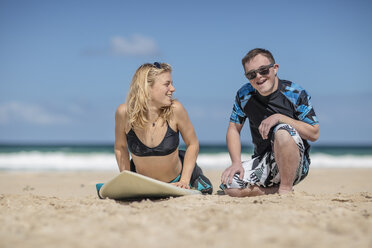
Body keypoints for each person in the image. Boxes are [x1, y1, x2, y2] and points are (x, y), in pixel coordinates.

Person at [220, 48, 319, 197]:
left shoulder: (295, 93)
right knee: (229, 185)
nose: (258, 77)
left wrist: (280, 117)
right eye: (251, 74)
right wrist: (236, 163)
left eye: (263, 70)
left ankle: (285, 189)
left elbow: (314, 133)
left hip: (296, 164)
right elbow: (234, 128)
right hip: (264, 162)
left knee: (283, 131)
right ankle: (274, 191)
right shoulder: (244, 95)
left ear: (275, 68)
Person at [114, 62, 212, 194]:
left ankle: (196, 176)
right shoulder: (124, 113)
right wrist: (126, 178)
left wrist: (184, 180)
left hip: (177, 179)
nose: (173, 89)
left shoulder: (176, 110)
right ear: (147, 87)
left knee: (206, 188)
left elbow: (192, 143)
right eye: (167, 84)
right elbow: (120, 147)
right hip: (142, 181)